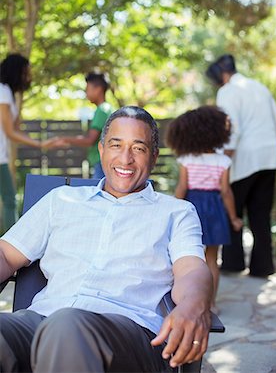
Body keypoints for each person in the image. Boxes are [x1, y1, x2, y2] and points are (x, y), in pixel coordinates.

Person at [0, 106, 213, 373]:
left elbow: (191, 270)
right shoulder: (61, 200)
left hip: (127, 333)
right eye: (116, 145)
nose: (125, 159)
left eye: (138, 148)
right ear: (101, 149)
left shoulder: (176, 212)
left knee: (66, 326)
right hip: (41, 320)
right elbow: (7, 254)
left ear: (154, 156)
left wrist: (194, 304)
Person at [206, 54, 276, 277]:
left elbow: (231, 127)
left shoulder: (227, 91)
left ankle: (233, 263)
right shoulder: (259, 86)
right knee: (261, 214)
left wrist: (223, 161)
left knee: (233, 208)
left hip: (244, 158)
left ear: (221, 75)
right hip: (269, 156)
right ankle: (263, 267)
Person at [166, 106, 242, 312]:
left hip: (192, 207)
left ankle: (185, 299)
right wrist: (233, 217)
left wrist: (170, 211)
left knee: (187, 255)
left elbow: (182, 187)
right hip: (215, 210)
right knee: (211, 259)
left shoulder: (186, 159)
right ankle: (211, 303)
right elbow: (226, 191)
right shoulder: (223, 160)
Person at [0, 54, 58, 233]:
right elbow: (10, 132)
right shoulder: (2, 91)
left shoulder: (8, 92)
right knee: (10, 200)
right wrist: (40, 144)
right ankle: (11, 247)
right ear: (17, 71)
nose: (29, 76)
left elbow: (15, 127)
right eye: (26, 72)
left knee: (10, 199)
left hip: (2, 155)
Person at [58, 71, 113, 179]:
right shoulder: (107, 108)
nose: (86, 93)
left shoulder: (102, 110)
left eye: (88, 89)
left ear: (98, 89)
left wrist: (66, 139)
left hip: (101, 163)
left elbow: (89, 140)